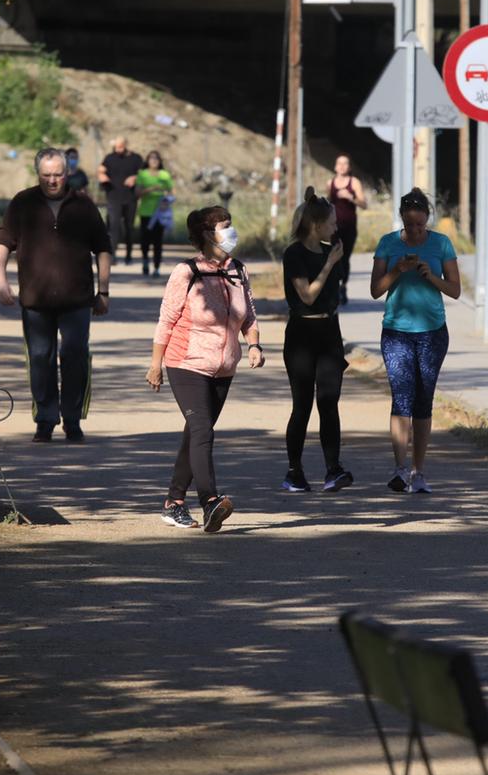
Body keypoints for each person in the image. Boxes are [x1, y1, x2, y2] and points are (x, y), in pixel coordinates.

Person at [147, 205, 264, 532]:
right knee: (202, 431)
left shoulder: (238, 270)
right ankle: (210, 500)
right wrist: (155, 364)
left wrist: (254, 344)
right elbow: (166, 320)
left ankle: (173, 503)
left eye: (231, 225)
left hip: (224, 367)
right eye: (224, 227)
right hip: (186, 363)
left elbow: (249, 316)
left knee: (194, 434)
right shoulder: (186, 272)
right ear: (205, 235)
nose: (231, 232)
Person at [0, 148, 113, 443]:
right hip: (36, 299)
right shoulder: (23, 202)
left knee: (74, 356)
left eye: (57, 174)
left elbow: (103, 248)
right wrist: (1, 281)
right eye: (46, 175)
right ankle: (45, 420)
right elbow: (3, 242)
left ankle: (72, 420)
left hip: (77, 300)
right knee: (39, 358)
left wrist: (104, 291)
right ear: (38, 174)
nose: (52, 180)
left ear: (67, 173)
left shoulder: (83, 204)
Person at [370, 187, 461, 494]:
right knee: (401, 397)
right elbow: (375, 290)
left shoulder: (441, 244)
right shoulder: (388, 244)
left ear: (427, 220)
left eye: (420, 226)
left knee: (423, 400)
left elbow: (455, 289)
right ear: (402, 222)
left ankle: (419, 471)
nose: (415, 231)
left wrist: (428, 275)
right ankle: (399, 469)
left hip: (432, 332)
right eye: (410, 227)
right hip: (396, 331)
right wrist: (397, 269)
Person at [280, 188, 352, 493]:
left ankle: (333, 469)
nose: (336, 228)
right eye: (332, 223)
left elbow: (333, 297)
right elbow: (307, 295)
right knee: (303, 405)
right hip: (301, 334)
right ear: (315, 224)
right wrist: (329, 264)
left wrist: (334, 260)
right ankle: (294, 472)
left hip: (329, 333)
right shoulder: (294, 253)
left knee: (329, 401)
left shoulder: (332, 250)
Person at [327, 154, 368, 305]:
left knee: (345, 258)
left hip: (349, 226)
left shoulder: (354, 182)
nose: (342, 166)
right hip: (332, 228)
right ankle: (333, 288)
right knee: (333, 257)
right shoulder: (329, 183)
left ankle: (342, 286)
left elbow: (364, 204)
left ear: (349, 167)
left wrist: (351, 197)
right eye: (340, 163)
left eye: (345, 164)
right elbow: (327, 205)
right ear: (335, 166)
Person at [98, 137, 143, 266]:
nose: (118, 149)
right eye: (116, 147)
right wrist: (102, 176)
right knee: (113, 227)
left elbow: (143, 174)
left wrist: (134, 178)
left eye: (121, 147)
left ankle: (128, 255)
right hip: (113, 197)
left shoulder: (136, 158)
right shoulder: (109, 158)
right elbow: (100, 170)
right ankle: (112, 256)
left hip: (130, 198)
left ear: (126, 145)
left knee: (129, 227)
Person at [135, 150, 174, 277]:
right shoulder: (142, 174)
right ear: (147, 160)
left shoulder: (164, 175)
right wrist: (151, 189)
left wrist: (167, 200)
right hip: (146, 212)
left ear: (160, 161)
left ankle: (156, 267)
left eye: (156, 158)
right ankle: (145, 261)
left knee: (158, 241)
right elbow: (137, 193)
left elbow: (171, 192)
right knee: (145, 240)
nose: (154, 160)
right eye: (151, 158)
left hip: (160, 214)